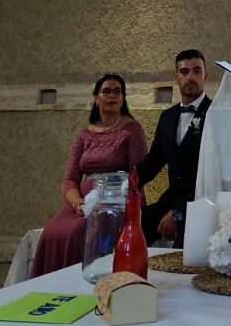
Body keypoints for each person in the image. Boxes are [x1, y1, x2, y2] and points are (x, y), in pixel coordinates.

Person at [29, 72, 148, 277]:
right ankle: (52, 287)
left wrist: (130, 206)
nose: (112, 96)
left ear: (123, 98)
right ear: (96, 97)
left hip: (114, 199)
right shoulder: (84, 134)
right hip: (82, 200)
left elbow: (138, 175)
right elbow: (69, 180)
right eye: (106, 91)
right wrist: (78, 203)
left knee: (76, 233)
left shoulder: (132, 130)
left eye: (117, 92)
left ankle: (79, 284)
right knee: (51, 233)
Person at [137, 49, 212, 247]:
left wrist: (179, 212)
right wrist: (124, 184)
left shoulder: (216, 115)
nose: (191, 77)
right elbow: (152, 164)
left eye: (197, 71)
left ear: (206, 76)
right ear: (176, 76)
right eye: (184, 71)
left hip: (202, 204)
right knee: (132, 225)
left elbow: (212, 177)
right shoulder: (167, 117)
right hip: (170, 201)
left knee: (184, 248)